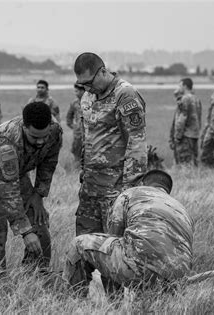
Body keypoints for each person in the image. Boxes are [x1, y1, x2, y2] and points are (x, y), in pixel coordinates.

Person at [0, 102, 63, 271]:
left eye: (43, 137)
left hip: (17, 171)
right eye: (34, 137)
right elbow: (7, 190)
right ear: (24, 126)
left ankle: (36, 276)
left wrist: (38, 195)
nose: (40, 142)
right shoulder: (7, 142)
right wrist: (25, 231)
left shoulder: (54, 131)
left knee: (38, 222)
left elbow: (49, 162)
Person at [63, 170, 194, 294]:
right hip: (177, 280)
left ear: (143, 184)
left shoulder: (131, 193)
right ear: (166, 191)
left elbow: (113, 237)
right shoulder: (182, 210)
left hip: (140, 270)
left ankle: (76, 302)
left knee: (78, 244)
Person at [73, 52, 147, 236]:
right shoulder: (88, 97)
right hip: (90, 186)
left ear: (103, 72)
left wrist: (129, 190)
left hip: (115, 188)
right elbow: (88, 137)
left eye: (89, 83)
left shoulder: (125, 94)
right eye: (82, 85)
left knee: (113, 245)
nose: (87, 88)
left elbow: (136, 144)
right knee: (85, 242)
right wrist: (84, 169)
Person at [169, 78, 202, 166]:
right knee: (194, 162)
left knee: (184, 164)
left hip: (185, 136)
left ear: (184, 86)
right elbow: (199, 117)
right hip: (194, 134)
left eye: (180, 85)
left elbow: (181, 119)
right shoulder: (196, 99)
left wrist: (177, 136)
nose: (178, 88)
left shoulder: (185, 99)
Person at [66, 83, 85, 165]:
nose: (75, 93)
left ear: (82, 91)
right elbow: (69, 117)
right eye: (75, 91)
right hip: (78, 133)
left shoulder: (92, 102)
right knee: (77, 152)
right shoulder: (74, 103)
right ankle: (76, 171)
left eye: (77, 91)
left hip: (90, 133)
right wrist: (74, 127)